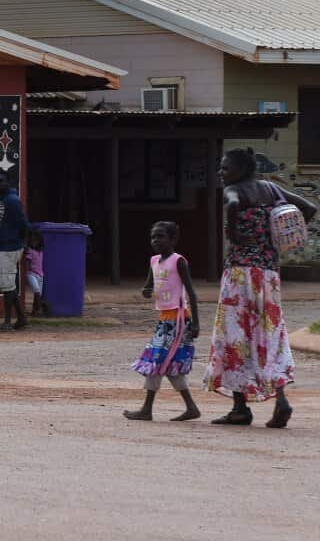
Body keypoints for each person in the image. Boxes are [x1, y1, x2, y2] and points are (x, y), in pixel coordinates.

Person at [206, 148, 317, 428]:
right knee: (269, 334)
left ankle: (240, 408)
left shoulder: (235, 191)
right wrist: (280, 235)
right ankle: (280, 399)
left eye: (226, 168)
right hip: (268, 274)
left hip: (239, 274)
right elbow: (309, 208)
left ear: (242, 170)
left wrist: (232, 229)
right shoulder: (271, 189)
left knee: (235, 338)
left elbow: (231, 202)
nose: (222, 173)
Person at [124, 222, 201, 422]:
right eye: (153, 237)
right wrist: (146, 291)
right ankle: (190, 407)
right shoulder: (154, 261)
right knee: (165, 363)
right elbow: (148, 287)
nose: (155, 241)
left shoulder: (178, 261)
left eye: (160, 236)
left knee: (157, 360)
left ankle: (147, 409)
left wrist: (196, 323)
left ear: (173, 239)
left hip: (178, 319)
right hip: (164, 319)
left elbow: (191, 292)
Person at [0, 170, 29, 330]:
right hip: (1, 246)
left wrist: (21, 242)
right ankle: (22, 318)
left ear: (8, 183)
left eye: (0, 181)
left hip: (9, 248)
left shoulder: (12, 200)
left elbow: (23, 223)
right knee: (8, 285)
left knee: (7, 285)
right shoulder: (0, 199)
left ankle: (7, 321)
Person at [25, 228, 47, 316]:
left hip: (40, 275)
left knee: (38, 294)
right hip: (31, 274)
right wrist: (26, 273)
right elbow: (27, 262)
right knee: (37, 291)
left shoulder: (41, 251)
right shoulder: (30, 251)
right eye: (32, 240)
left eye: (36, 241)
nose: (34, 242)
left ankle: (35, 311)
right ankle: (41, 307)